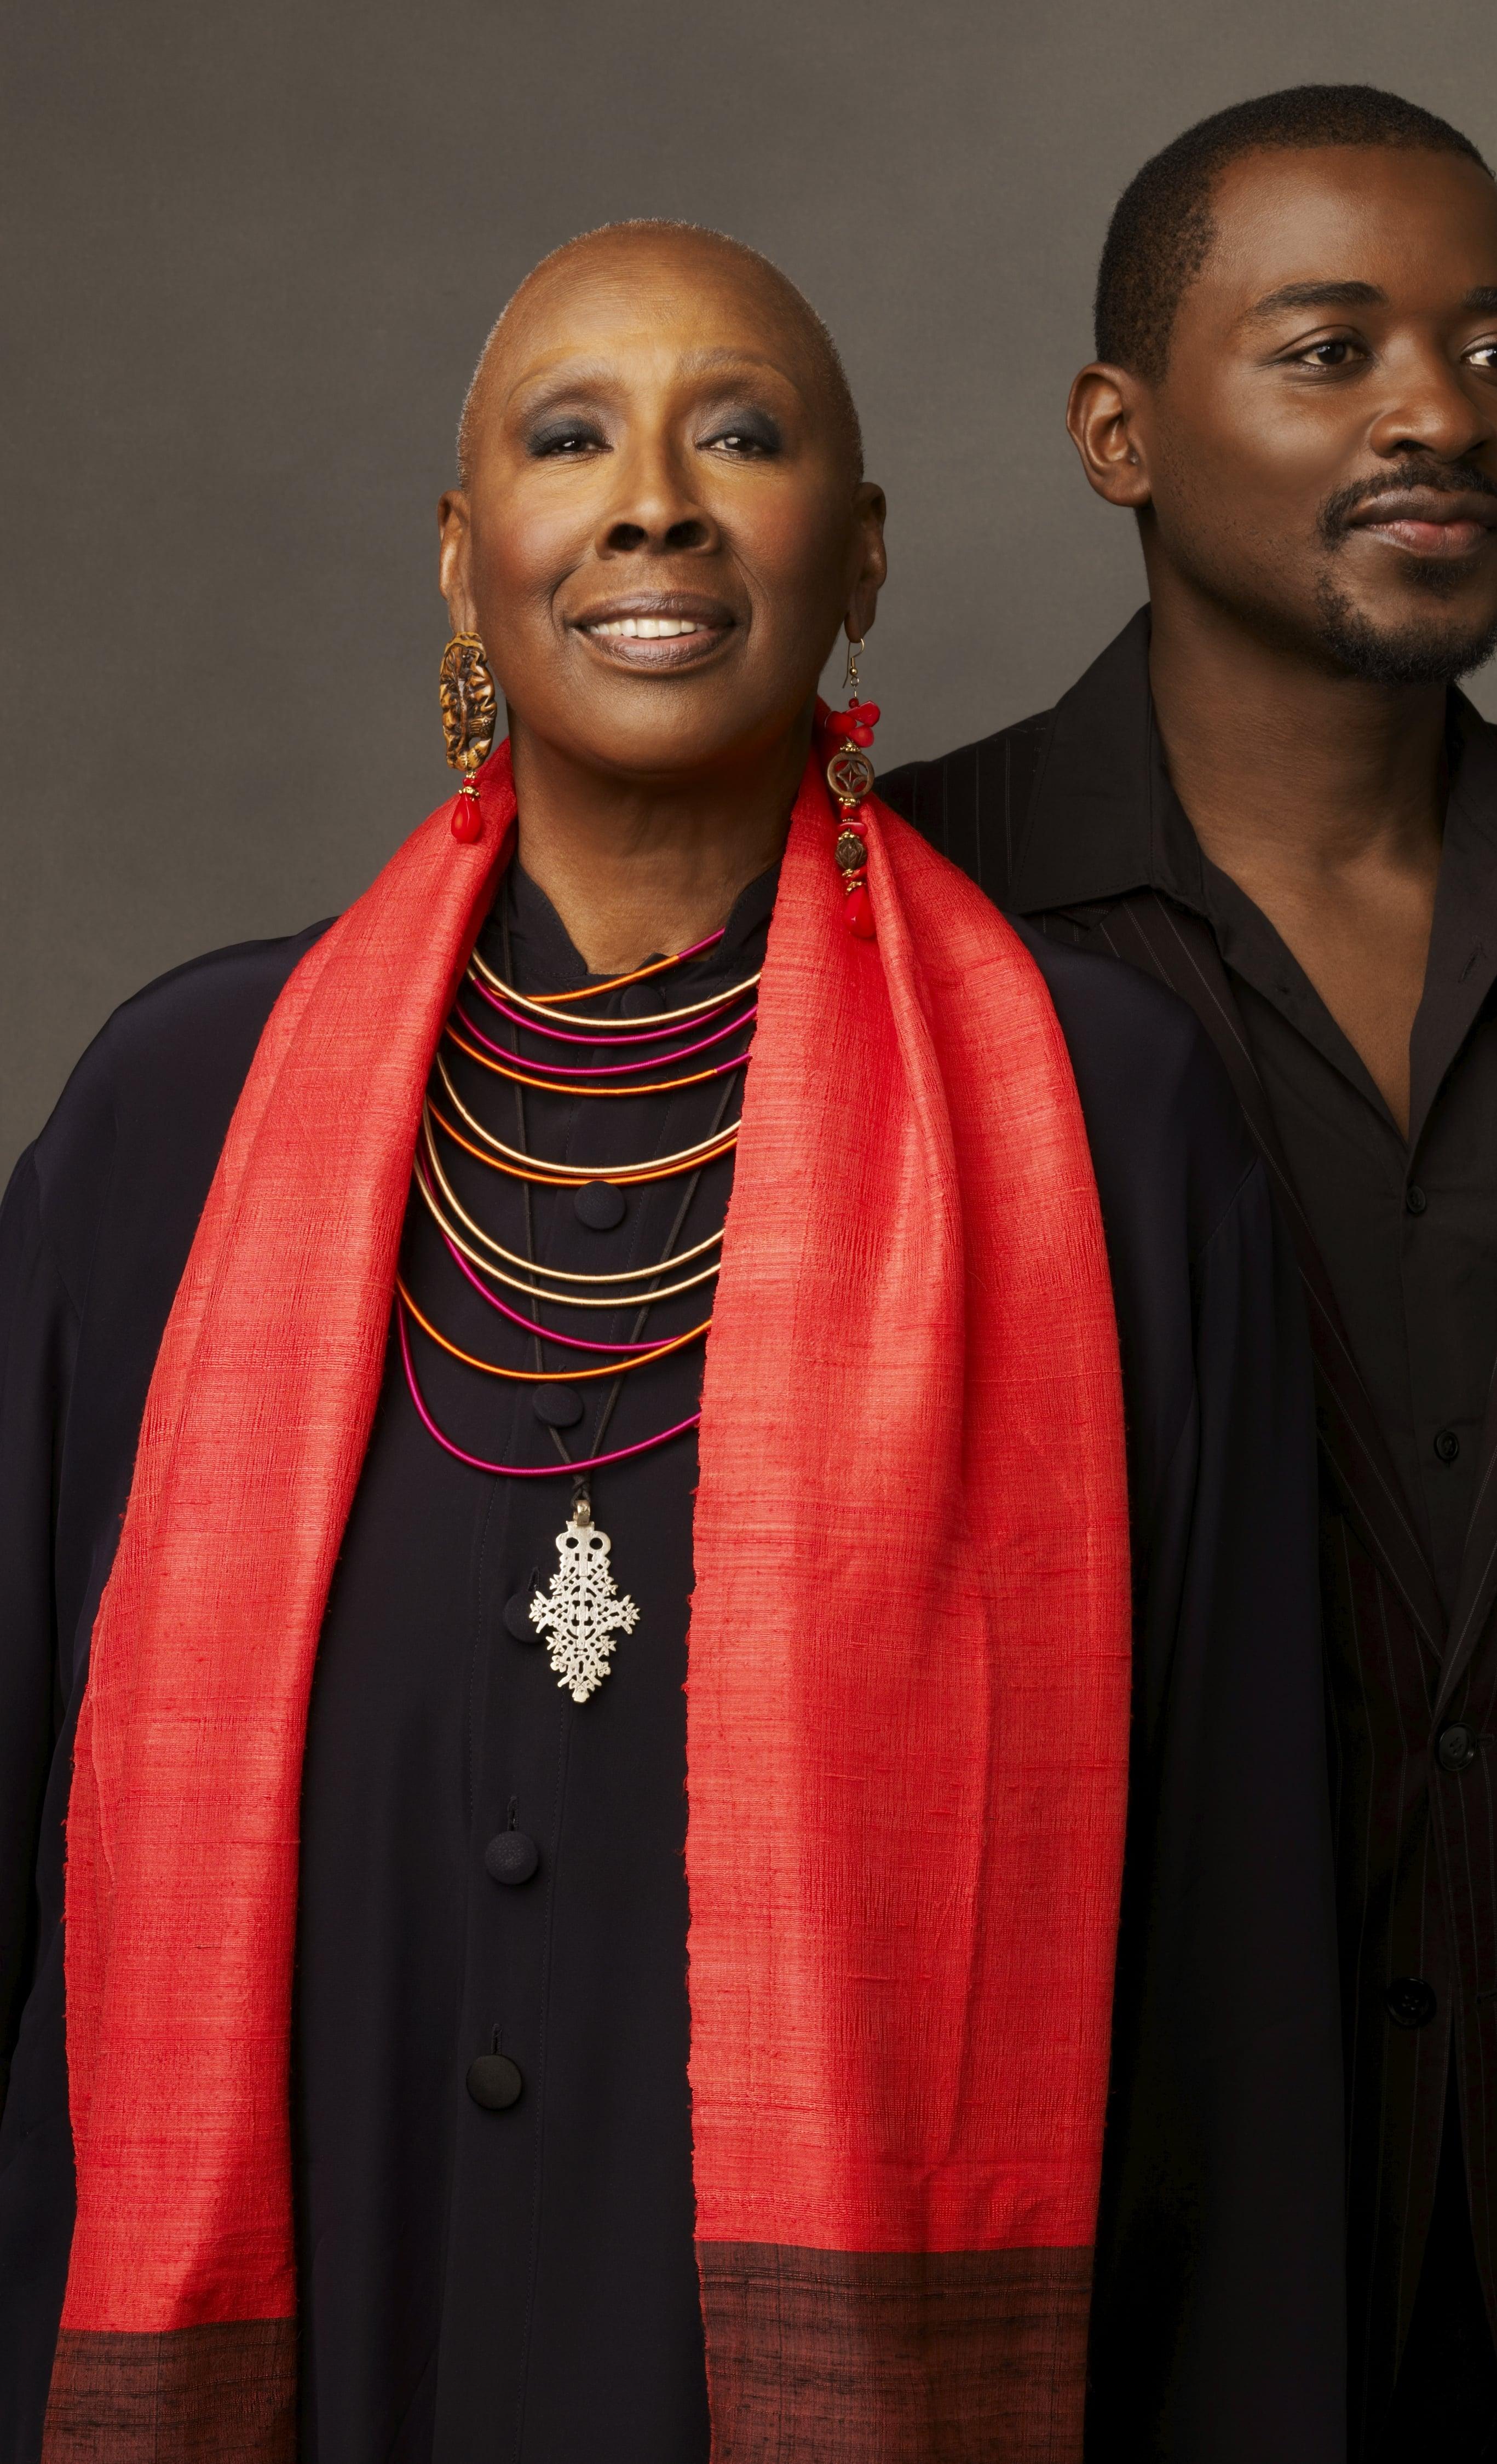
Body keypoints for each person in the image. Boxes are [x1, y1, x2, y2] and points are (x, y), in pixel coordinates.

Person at [0, 223, 1342, 2463]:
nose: (653, 499)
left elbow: (1237, 1969)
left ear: (864, 555)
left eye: (739, 434)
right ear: (463, 558)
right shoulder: (174, 1113)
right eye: (566, 440)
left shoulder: (1101, 1124)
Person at [880, 85, 1497, 2464]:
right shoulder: (908, 916)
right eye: (1329, 351)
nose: (1442, 410)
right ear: (1117, 431)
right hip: (1093, 2282)